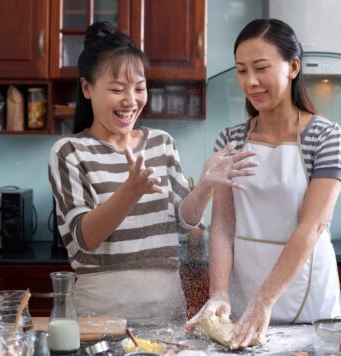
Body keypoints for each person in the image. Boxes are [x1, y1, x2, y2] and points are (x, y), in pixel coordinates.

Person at [48, 22, 258, 323]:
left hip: (166, 311)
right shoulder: (69, 151)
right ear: (87, 88)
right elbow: (84, 238)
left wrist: (205, 187)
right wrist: (130, 191)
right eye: (117, 89)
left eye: (139, 88)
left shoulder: (161, 143)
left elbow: (184, 222)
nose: (130, 101)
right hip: (101, 314)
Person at [186, 18, 341, 348]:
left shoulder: (327, 137)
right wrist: (219, 291)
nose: (251, 81)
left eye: (261, 68)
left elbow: (312, 226)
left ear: (293, 67)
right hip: (244, 300)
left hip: (309, 306)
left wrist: (264, 301)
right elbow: (221, 227)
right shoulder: (230, 140)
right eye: (242, 70)